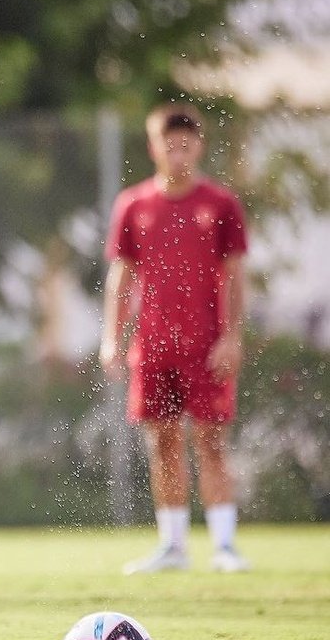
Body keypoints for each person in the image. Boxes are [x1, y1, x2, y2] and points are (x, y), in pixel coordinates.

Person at [99, 102, 250, 575]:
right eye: (170, 143)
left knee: (211, 441)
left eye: (187, 143)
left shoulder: (220, 204)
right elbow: (120, 279)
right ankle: (173, 544)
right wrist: (113, 339)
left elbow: (236, 277)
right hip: (154, 346)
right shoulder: (134, 205)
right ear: (153, 147)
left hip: (206, 347)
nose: (178, 152)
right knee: (161, 442)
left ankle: (224, 544)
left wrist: (231, 336)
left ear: (199, 146)